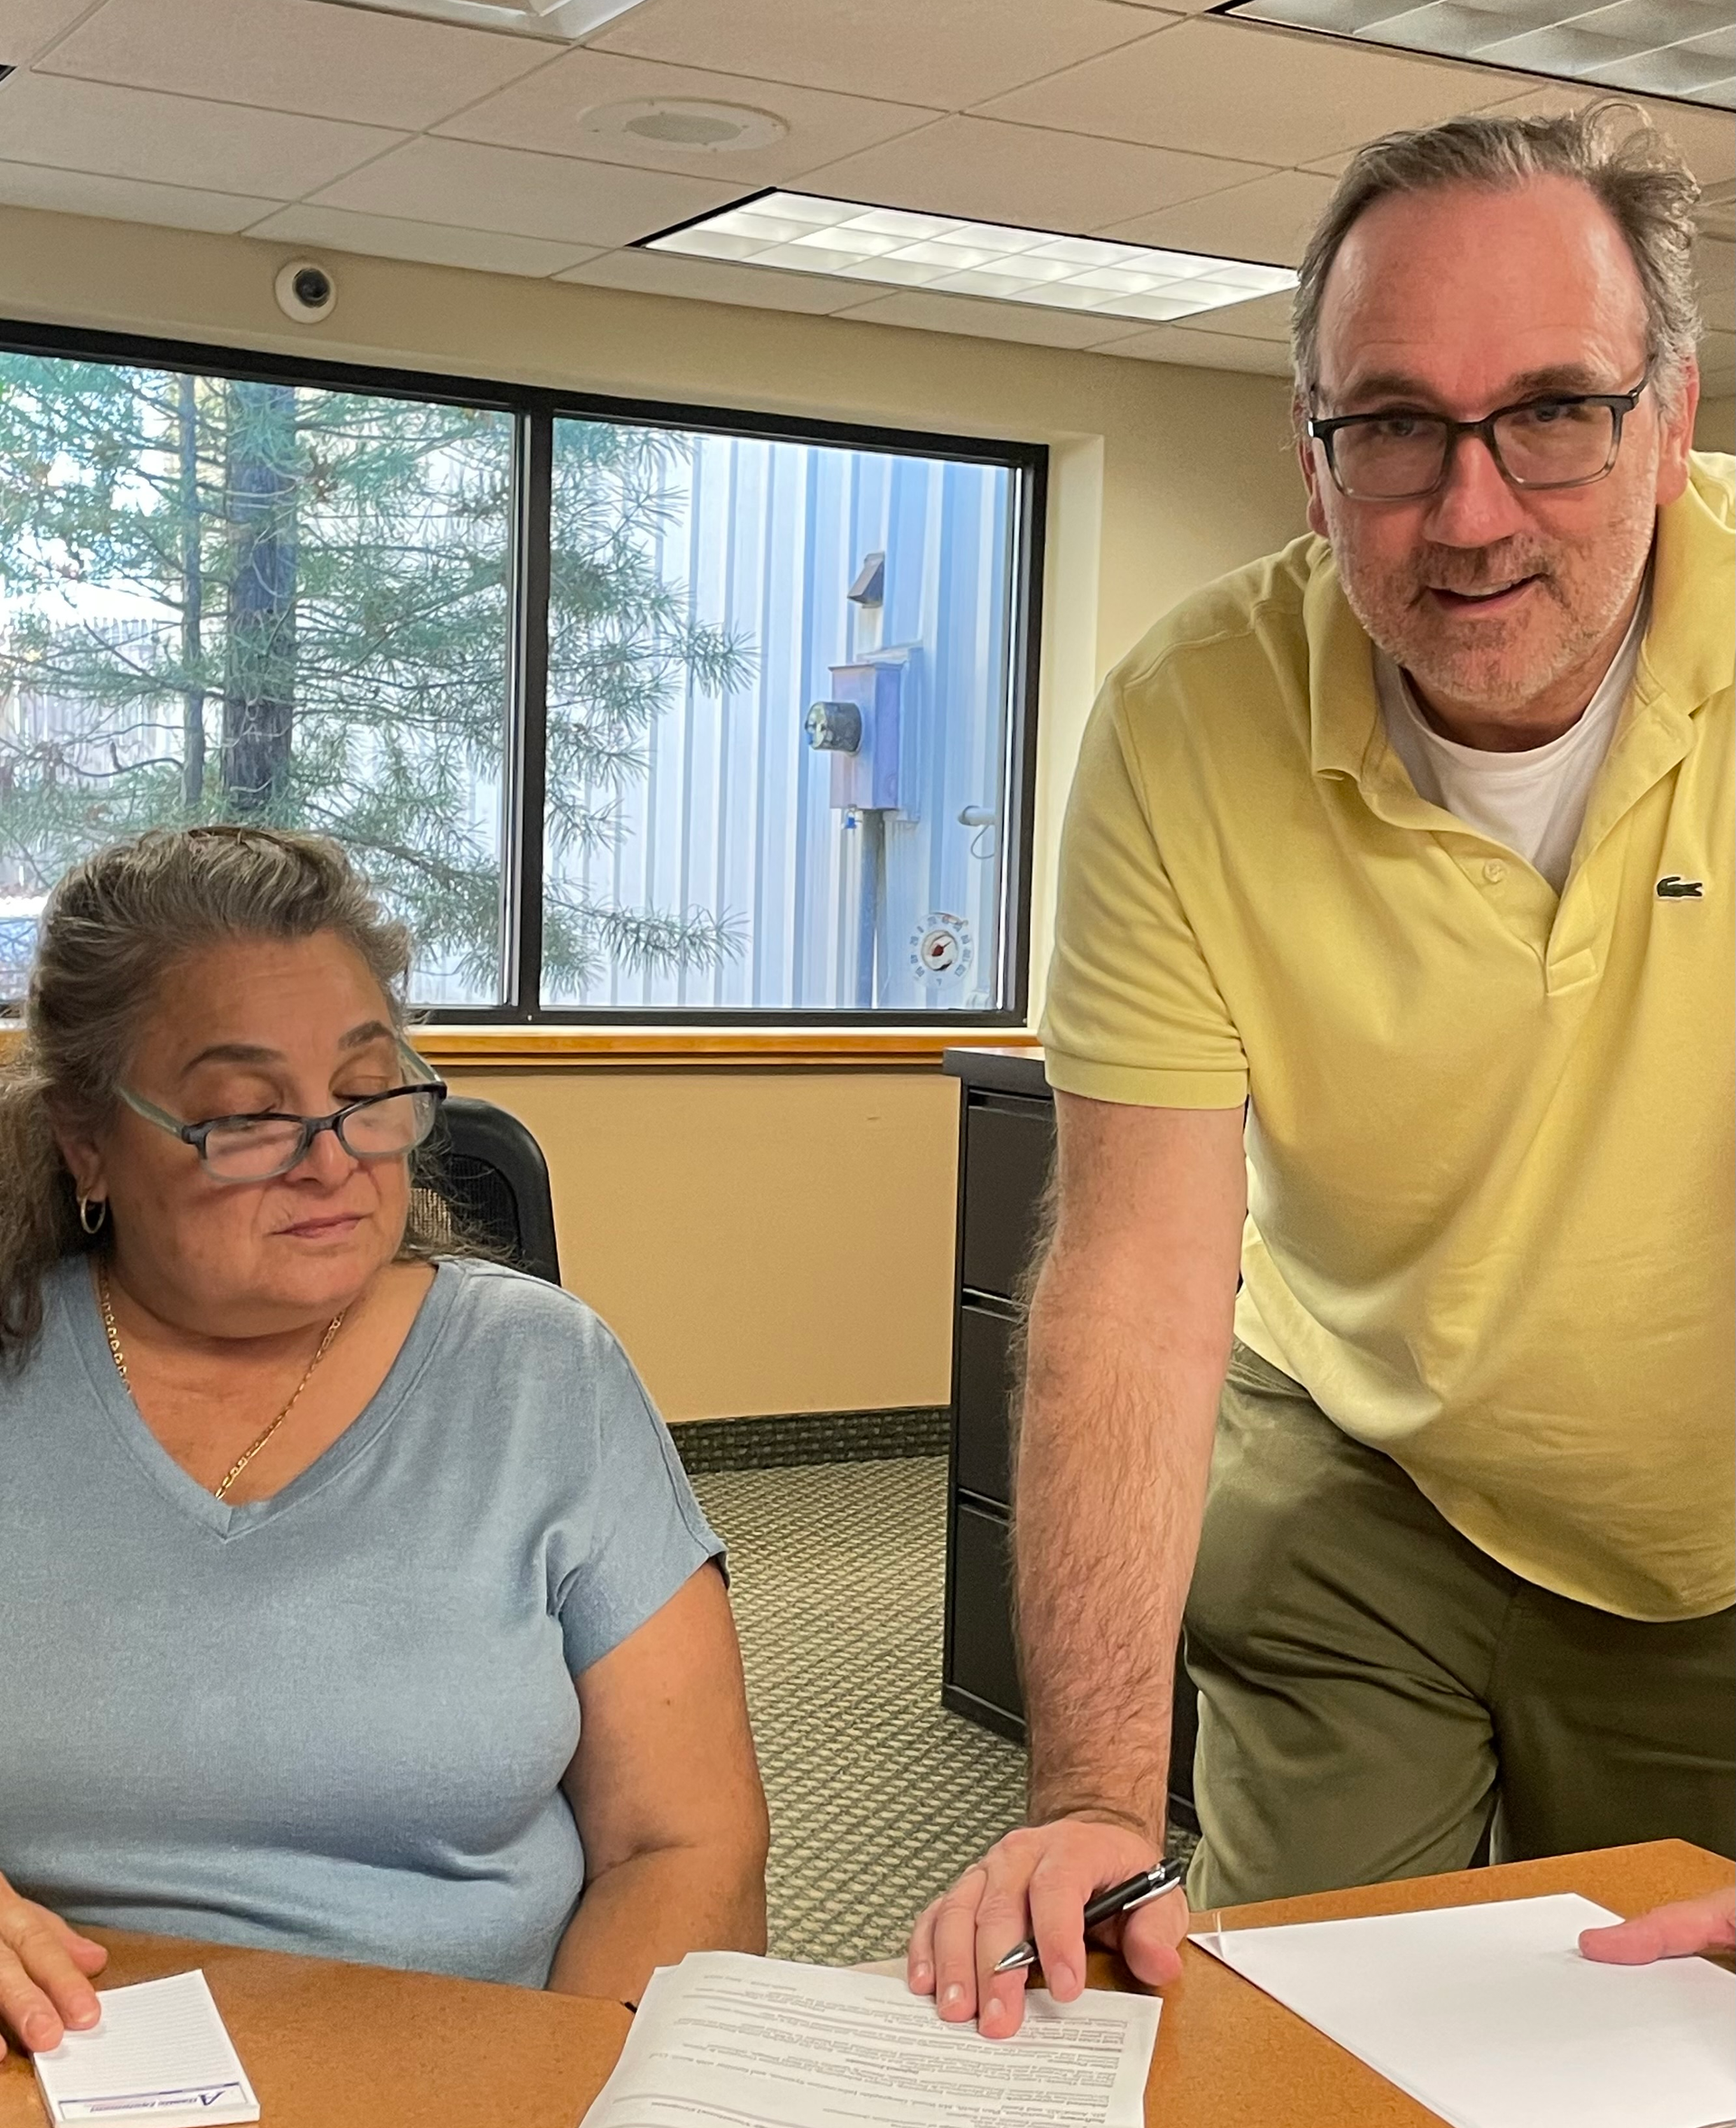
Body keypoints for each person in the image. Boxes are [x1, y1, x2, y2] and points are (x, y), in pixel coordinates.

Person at [910, 103, 1732, 2037]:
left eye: (1551, 410)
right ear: (1312, 455)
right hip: (1366, 1479)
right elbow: (1135, 1280)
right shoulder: (1189, 717)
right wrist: (1094, 1800)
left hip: (1713, 1525)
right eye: (1392, 428)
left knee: (1670, 2044)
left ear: (1671, 413)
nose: (1469, 511)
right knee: (1293, 2038)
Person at [0, 826, 769, 2062]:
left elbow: (680, 1844)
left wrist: (568, 2091)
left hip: (479, 2078)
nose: (334, 1161)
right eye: (247, 1116)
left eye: (366, 1096)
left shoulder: (543, 1376)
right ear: (90, 1140)